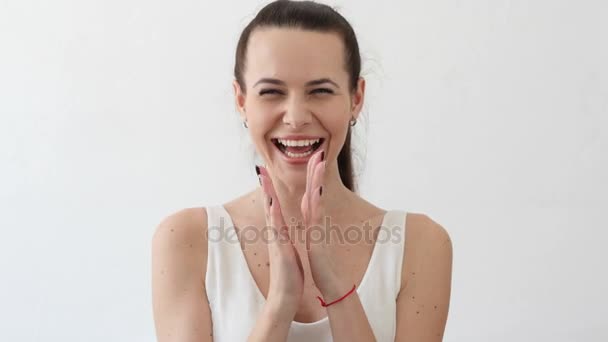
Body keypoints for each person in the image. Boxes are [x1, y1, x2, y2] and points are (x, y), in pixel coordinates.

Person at [151, 1, 452, 341]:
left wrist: (337, 289)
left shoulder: (419, 244)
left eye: (320, 91)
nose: (295, 117)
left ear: (356, 98)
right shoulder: (187, 240)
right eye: (272, 92)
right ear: (241, 101)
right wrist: (281, 301)